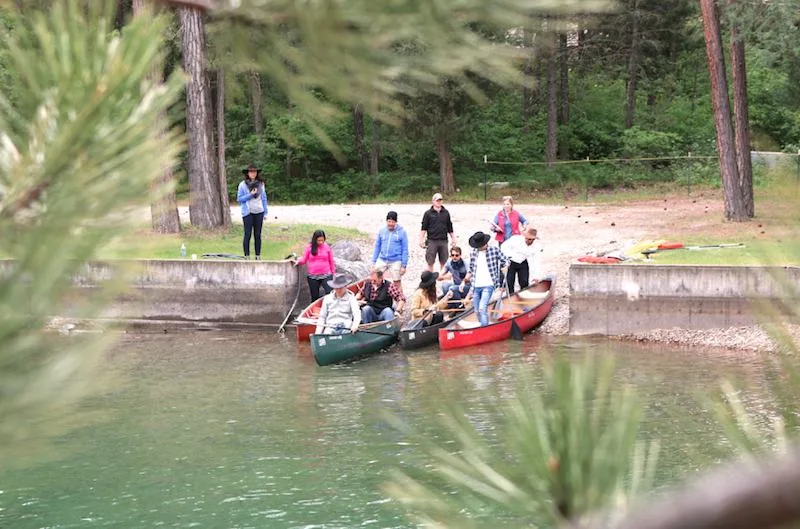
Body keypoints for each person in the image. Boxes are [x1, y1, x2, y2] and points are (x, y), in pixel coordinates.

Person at [463, 231, 508, 326]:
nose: (478, 248)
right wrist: (464, 280)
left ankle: (484, 328)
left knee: (482, 308)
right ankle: (483, 326)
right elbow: (471, 269)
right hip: (475, 285)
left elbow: (506, 260)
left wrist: (505, 267)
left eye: (479, 246)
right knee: (476, 310)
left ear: (485, 243)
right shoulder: (474, 253)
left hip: (489, 284)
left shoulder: (494, 250)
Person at [237, 164, 268, 259]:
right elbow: (239, 199)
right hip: (248, 212)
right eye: (251, 171)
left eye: (254, 171)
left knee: (257, 235)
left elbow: (264, 198)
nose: (253, 173)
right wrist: (250, 195)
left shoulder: (261, 184)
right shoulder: (242, 185)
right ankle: (247, 255)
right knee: (248, 234)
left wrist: (265, 212)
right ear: (247, 173)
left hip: (259, 211)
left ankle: (258, 255)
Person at [295, 229, 336, 302]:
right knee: (314, 296)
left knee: (330, 293)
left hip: (326, 274)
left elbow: (331, 261)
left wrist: (333, 273)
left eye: (322, 240)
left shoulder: (327, 247)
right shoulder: (309, 247)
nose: (321, 242)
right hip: (313, 276)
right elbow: (304, 259)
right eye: (319, 240)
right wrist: (298, 261)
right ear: (315, 239)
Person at [371, 210, 408, 289]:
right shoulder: (382, 231)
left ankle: (401, 299)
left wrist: (404, 266)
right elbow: (377, 246)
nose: (391, 224)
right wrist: (373, 261)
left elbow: (405, 249)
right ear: (386, 221)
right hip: (382, 259)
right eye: (389, 221)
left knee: (396, 281)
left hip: (395, 260)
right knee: (374, 277)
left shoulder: (402, 232)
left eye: (393, 222)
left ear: (396, 222)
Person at [419, 193, 456, 272]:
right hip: (432, 241)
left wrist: (453, 238)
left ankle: (442, 280)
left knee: (444, 262)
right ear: (433, 201)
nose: (439, 202)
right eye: (437, 200)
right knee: (430, 262)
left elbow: (450, 227)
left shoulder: (446, 213)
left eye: (440, 200)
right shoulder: (428, 213)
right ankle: (430, 281)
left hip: (443, 241)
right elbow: (423, 227)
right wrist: (421, 239)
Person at [500, 227, 542, 294]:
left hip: (523, 262)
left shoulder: (536, 246)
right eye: (527, 238)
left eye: (531, 239)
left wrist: (536, 276)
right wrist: (509, 257)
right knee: (509, 282)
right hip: (511, 262)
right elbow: (503, 246)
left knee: (524, 282)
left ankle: (524, 297)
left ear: (534, 239)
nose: (528, 240)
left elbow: (536, 260)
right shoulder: (515, 239)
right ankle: (510, 299)